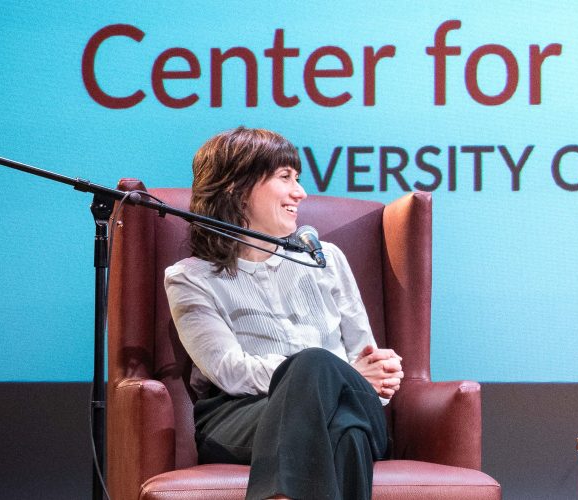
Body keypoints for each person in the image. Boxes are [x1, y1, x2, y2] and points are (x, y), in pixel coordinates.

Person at [164, 127, 403, 499]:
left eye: (298, 179)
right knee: (344, 427)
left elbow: (367, 362)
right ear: (237, 188)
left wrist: (363, 374)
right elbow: (229, 371)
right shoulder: (190, 278)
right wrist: (335, 374)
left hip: (351, 403)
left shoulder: (326, 259)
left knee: (321, 374)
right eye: (285, 177)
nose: (300, 192)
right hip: (241, 416)